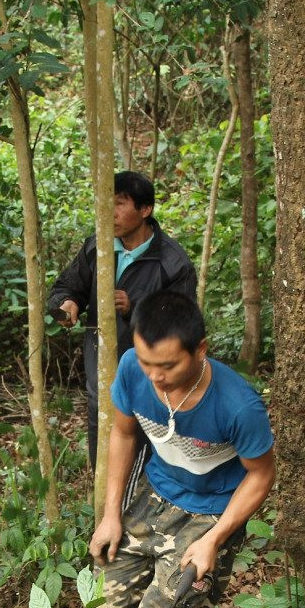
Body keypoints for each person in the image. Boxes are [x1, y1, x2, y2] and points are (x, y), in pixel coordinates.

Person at [89, 290, 274, 608]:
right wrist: (111, 514)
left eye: (168, 366)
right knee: (110, 605)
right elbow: (123, 433)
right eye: (147, 362)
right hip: (154, 492)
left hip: (211, 512)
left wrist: (215, 539)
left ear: (200, 349)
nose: (155, 376)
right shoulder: (133, 370)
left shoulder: (238, 405)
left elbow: (262, 475)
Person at [48, 171, 198, 467]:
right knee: (102, 448)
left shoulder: (173, 263)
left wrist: (134, 308)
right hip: (100, 369)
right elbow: (67, 286)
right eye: (107, 203)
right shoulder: (97, 247)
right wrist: (67, 304)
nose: (110, 212)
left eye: (119, 204)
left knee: (142, 453)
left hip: (150, 379)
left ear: (145, 210)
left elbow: (183, 324)